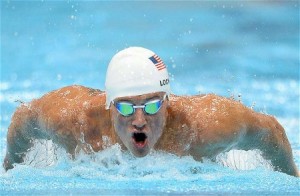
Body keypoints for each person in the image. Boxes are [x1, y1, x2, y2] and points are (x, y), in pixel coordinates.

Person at [3, 47, 299, 177]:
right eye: (127, 107)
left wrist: (293, 179)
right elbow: (22, 120)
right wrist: (10, 170)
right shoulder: (73, 120)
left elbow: (269, 131)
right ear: (109, 104)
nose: (140, 120)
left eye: (154, 105)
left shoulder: (207, 126)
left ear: (168, 102)